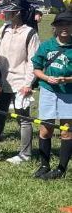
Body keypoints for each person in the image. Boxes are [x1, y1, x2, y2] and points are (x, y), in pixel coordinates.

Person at [0, 2, 41, 164]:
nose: (4, 12)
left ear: (17, 13)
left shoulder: (30, 33)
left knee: (23, 118)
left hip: (21, 82)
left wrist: (28, 83)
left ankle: (25, 154)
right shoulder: (4, 30)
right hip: (2, 81)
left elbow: (33, 61)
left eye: (8, 10)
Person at [31, 10, 72, 180]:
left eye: (68, 24)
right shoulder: (46, 46)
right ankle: (44, 165)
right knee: (45, 129)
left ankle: (61, 169)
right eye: (61, 24)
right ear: (54, 27)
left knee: (66, 131)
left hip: (68, 93)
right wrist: (47, 78)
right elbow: (36, 68)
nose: (64, 28)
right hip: (48, 91)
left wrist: (66, 79)